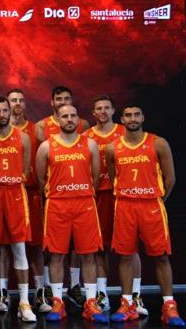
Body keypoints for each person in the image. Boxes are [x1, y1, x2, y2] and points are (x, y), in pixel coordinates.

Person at [106, 104, 184, 326]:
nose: (132, 118)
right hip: (125, 206)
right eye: (128, 115)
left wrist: (156, 198)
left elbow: (170, 179)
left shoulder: (158, 143)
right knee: (125, 256)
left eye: (136, 114)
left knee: (161, 256)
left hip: (151, 205)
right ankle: (126, 303)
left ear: (143, 117)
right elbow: (114, 178)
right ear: (122, 118)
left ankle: (169, 306)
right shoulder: (113, 148)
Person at [35, 104, 107, 323]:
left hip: (84, 204)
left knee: (88, 254)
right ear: (57, 119)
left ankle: (91, 302)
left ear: (78, 119)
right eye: (64, 116)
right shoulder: (46, 146)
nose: (68, 119)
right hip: (57, 204)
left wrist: (82, 192)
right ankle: (57, 300)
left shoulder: (91, 144)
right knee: (56, 254)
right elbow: (40, 180)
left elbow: (95, 177)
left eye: (72, 115)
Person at [0, 96, 35, 322]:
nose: (2, 114)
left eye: (5, 110)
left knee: (19, 248)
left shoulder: (23, 137)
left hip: (15, 194)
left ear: (10, 112)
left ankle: (24, 302)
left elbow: (27, 171)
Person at [35, 86, 89, 309]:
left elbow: (90, 170)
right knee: (53, 247)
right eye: (59, 99)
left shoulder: (83, 125)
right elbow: (42, 171)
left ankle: (75, 285)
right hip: (55, 194)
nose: (62, 102)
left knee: (79, 246)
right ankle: (50, 288)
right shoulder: (41, 127)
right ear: (52, 103)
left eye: (67, 99)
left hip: (81, 196)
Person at [6, 89, 50, 313]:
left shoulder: (36, 130)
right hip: (6, 195)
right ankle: (3, 295)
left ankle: (40, 293)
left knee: (35, 247)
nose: (17, 103)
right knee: (4, 246)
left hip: (31, 194)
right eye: (13, 100)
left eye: (21, 100)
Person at [82, 95, 127, 312]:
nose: (102, 111)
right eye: (98, 108)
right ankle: (102, 294)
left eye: (106, 108)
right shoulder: (85, 136)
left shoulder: (124, 132)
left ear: (113, 110)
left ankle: (132, 297)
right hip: (95, 197)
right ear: (93, 113)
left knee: (128, 249)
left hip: (121, 197)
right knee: (98, 248)